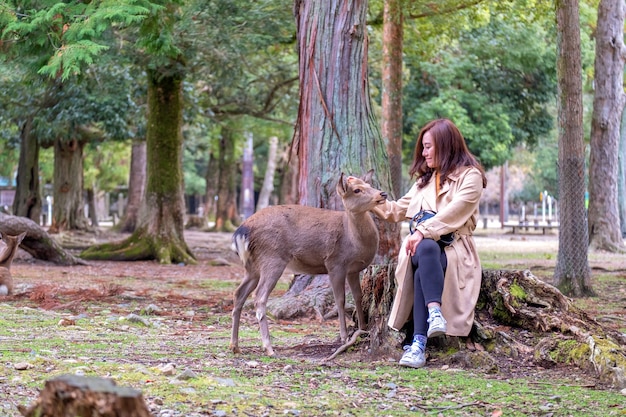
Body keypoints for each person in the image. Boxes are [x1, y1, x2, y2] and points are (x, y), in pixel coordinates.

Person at [371, 118, 487, 368]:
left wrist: (422, 231)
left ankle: (418, 344)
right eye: (422, 147)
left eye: (428, 147)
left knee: (426, 251)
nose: (423, 153)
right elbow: (394, 210)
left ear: (445, 145)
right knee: (425, 250)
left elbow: (454, 213)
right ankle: (434, 314)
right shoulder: (424, 182)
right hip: (420, 247)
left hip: (455, 249)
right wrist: (366, 196)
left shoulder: (471, 177)